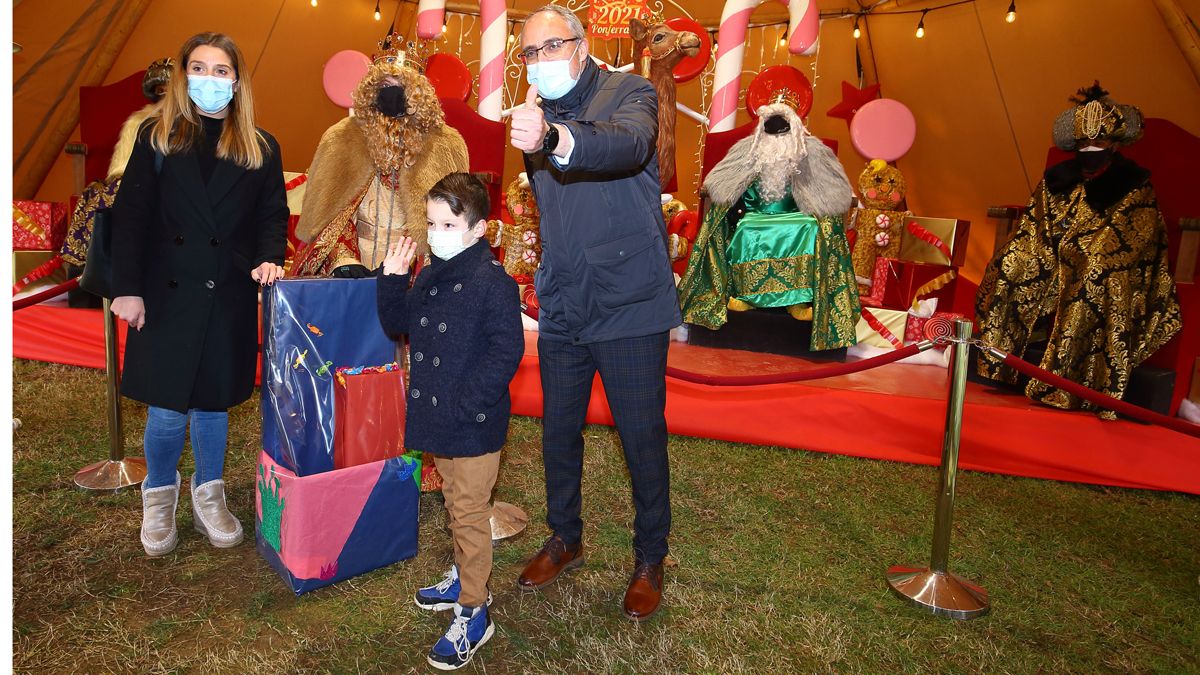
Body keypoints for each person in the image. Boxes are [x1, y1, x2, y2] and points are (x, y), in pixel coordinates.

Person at [508, 4, 682, 622]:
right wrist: (541, 132)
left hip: (630, 299)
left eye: (551, 47)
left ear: (581, 47)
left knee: (640, 434)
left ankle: (650, 554)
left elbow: (628, 147)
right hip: (564, 301)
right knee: (558, 429)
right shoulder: (532, 116)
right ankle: (565, 535)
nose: (540, 62)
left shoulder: (628, 90)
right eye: (529, 53)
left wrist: (555, 138)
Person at [110, 32, 288, 557]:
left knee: (212, 405)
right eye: (198, 67)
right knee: (167, 409)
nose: (209, 79)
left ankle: (209, 494)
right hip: (166, 294)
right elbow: (131, 218)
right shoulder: (157, 136)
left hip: (226, 292)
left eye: (220, 70)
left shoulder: (261, 146)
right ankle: (159, 496)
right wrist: (126, 289)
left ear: (237, 81)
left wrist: (268, 255)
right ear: (184, 75)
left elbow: (271, 214)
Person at [376, 173, 524, 670]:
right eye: (431, 221)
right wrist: (394, 278)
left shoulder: (493, 282)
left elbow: (507, 349)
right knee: (452, 496)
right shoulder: (432, 272)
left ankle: (474, 609)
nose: (436, 232)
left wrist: (470, 401)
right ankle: (462, 575)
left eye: (448, 223)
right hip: (441, 415)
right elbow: (401, 325)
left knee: (468, 510)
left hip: (472, 420)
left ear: (478, 228)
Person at [975, 82, 1181, 416]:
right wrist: (1043, 247)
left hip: (1106, 262)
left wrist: (1078, 248)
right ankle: (1001, 367)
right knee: (1013, 263)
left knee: (1093, 273)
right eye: (1085, 142)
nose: (1091, 149)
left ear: (1114, 143)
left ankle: (1065, 383)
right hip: (1053, 253)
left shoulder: (1134, 184)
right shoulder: (1058, 179)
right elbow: (1035, 222)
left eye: (1098, 142)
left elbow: (1132, 238)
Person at [678, 91, 859, 350]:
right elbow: (719, 183)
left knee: (809, 228)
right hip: (755, 217)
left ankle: (797, 299)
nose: (777, 132)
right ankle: (748, 295)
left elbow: (836, 192)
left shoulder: (813, 152)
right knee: (745, 230)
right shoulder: (746, 151)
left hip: (797, 217)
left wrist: (820, 203)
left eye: (782, 125)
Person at [292, 33, 468, 277]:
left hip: (415, 271)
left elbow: (454, 221)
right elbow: (326, 216)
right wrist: (344, 259)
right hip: (353, 268)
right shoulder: (340, 138)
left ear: (418, 91)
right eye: (385, 86)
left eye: (400, 85)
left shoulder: (446, 144)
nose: (391, 92)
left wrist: (411, 261)